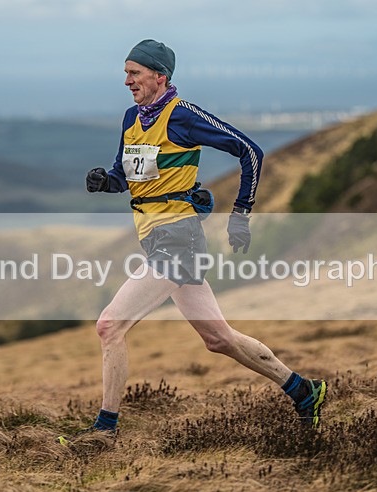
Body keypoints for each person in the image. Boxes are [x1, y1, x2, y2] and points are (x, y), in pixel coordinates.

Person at [57, 39, 326, 450]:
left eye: (134, 73)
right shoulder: (131, 118)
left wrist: (241, 213)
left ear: (159, 76)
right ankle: (304, 391)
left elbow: (250, 152)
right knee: (219, 339)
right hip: (155, 239)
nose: (126, 80)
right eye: (126, 72)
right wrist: (105, 182)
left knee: (110, 326)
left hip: (178, 241)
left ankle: (104, 431)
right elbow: (127, 176)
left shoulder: (182, 115)